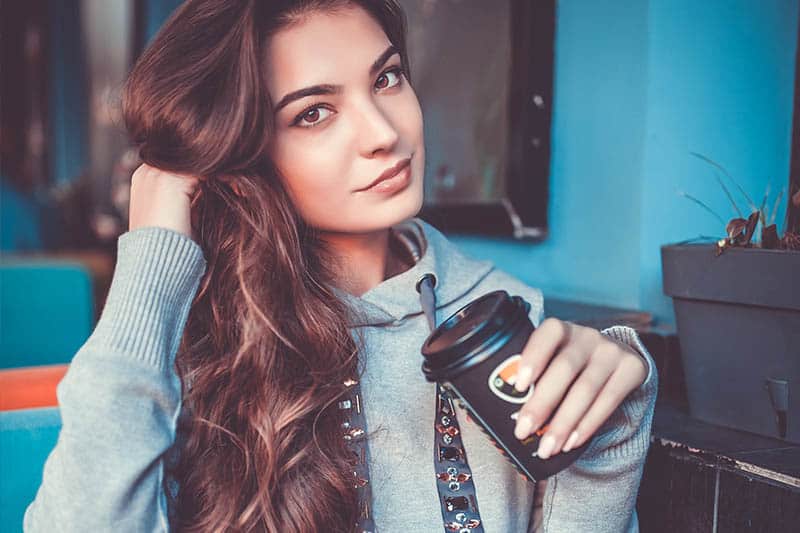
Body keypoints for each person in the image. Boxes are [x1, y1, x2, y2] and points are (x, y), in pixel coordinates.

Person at [24, 1, 658, 531]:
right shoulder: (201, 347)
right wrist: (151, 256)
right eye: (314, 113)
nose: (383, 131)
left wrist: (610, 436)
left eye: (386, 78)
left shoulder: (504, 323)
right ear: (242, 151)